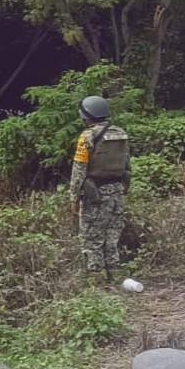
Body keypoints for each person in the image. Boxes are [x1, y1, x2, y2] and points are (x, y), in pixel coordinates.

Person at [69, 95, 131, 277]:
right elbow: (127, 165)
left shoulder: (87, 136)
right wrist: (124, 188)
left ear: (86, 115)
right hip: (117, 191)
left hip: (95, 194)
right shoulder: (120, 133)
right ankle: (116, 274)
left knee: (91, 238)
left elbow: (79, 170)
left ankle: (96, 280)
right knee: (112, 237)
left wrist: (73, 199)